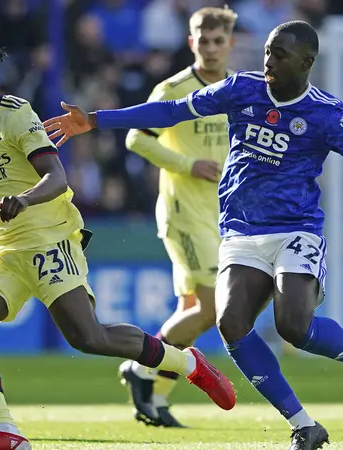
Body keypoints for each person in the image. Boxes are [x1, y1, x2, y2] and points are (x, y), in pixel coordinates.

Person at [43, 20, 343, 450]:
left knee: (293, 327)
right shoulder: (242, 89)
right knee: (231, 323)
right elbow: (172, 111)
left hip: (295, 229)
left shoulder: (325, 113)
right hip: (241, 231)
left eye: (279, 55)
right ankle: (303, 425)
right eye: (267, 51)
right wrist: (93, 120)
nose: (268, 61)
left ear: (306, 62)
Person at [0, 25, 236, 450]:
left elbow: (56, 175)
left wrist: (25, 199)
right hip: (0, 254)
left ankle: (186, 361)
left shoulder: (16, 115)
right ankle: (6, 431)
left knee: (89, 338)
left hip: (50, 240)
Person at [117, 6, 235, 428]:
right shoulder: (173, 88)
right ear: (191, 43)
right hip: (184, 212)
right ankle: (143, 369)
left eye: (218, 41)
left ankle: (156, 398)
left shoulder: (239, 90)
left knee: (192, 310)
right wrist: (187, 164)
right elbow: (135, 138)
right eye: (203, 40)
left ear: (230, 44)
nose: (210, 48)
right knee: (210, 309)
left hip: (223, 216)